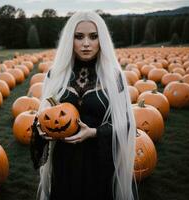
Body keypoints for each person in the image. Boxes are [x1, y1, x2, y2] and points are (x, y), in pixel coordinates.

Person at [30, 11, 136, 200]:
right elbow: (44, 116)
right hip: (64, 163)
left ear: (101, 39)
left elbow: (126, 123)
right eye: (79, 37)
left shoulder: (114, 77)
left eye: (93, 37)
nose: (86, 43)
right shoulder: (55, 75)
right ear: (70, 40)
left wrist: (93, 132)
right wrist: (40, 130)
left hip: (100, 162)